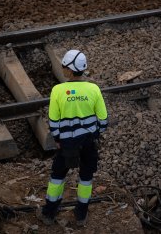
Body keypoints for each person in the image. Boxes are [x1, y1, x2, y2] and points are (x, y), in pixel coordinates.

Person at [37, 49, 108, 226]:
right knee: (86, 178)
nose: (62, 68)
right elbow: (104, 121)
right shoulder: (94, 89)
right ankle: (81, 215)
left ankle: (49, 213)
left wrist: (59, 140)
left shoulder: (58, 91)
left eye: (63, 66)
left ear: (69, 70)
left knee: (58, 176)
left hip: (67, 144)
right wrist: (93, 134)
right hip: (89, 142)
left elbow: (53, 122)